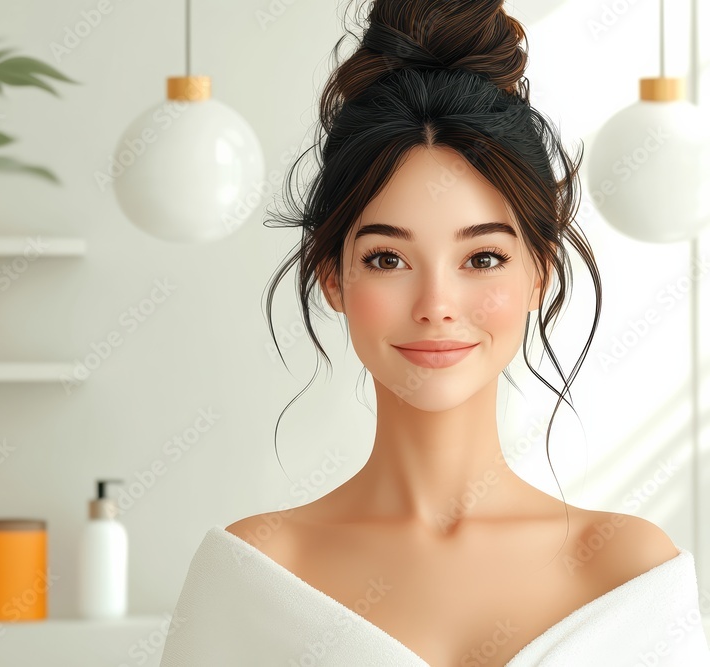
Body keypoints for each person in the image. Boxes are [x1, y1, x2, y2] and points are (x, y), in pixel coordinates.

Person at [158, 1, 710, 665]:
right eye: (387, 259)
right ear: (332, 277)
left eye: (482, 258)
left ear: (540, 273)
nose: (436, 305)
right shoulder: (255, 573)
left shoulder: (628, 573)